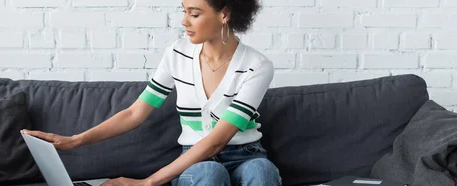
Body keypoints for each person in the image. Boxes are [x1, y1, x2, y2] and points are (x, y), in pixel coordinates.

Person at [21, 0, 281, 185]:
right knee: (210, 175)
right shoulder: (177, 54)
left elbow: (216, 141)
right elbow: (135, 112)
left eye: (194, 13)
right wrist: (75, 140)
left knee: (262, 170)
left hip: (245, 156)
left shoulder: (256, 66)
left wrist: (147, 183)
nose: (184, 21)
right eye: (184, 11)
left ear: (224, 14)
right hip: (195, 164)